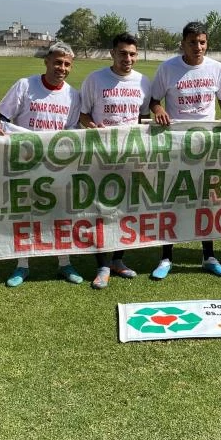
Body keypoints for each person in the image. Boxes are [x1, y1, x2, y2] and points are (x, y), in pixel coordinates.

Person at [149, 21, 221, 279]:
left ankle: (208, 256)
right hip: (176, 145)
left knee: (206, 201)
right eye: (192, 42)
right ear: (183, 44)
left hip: (208, 145)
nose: (198, 47)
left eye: (202, 42)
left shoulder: (217, 69)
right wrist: (160, 110)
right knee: (173, 199)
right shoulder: (168, 68)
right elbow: (154, 101)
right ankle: (166, 257)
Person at [0, 42, 84, 287]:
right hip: (25, 162)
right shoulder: (25, 85)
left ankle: (64, 262)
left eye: (67, 64)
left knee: (62, 214)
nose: (61, 68)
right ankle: (22, 265)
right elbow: (2, 118)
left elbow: (73, 132)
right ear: (46, 61)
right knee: (25, 213)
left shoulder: (73, 95)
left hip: (57, 164)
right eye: (57, 62)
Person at [79, 33, 151, 289]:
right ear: (112, 53)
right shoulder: (95, 79)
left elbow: (143, 120)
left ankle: (118, 260)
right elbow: (83, 114)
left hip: (130, 156)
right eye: (122, 53)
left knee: (126, 210)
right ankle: (101, 265)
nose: (128, 59)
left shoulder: (144, 82)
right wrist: (92, 127)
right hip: (101, 156)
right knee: (101, 210)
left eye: (132, 54)